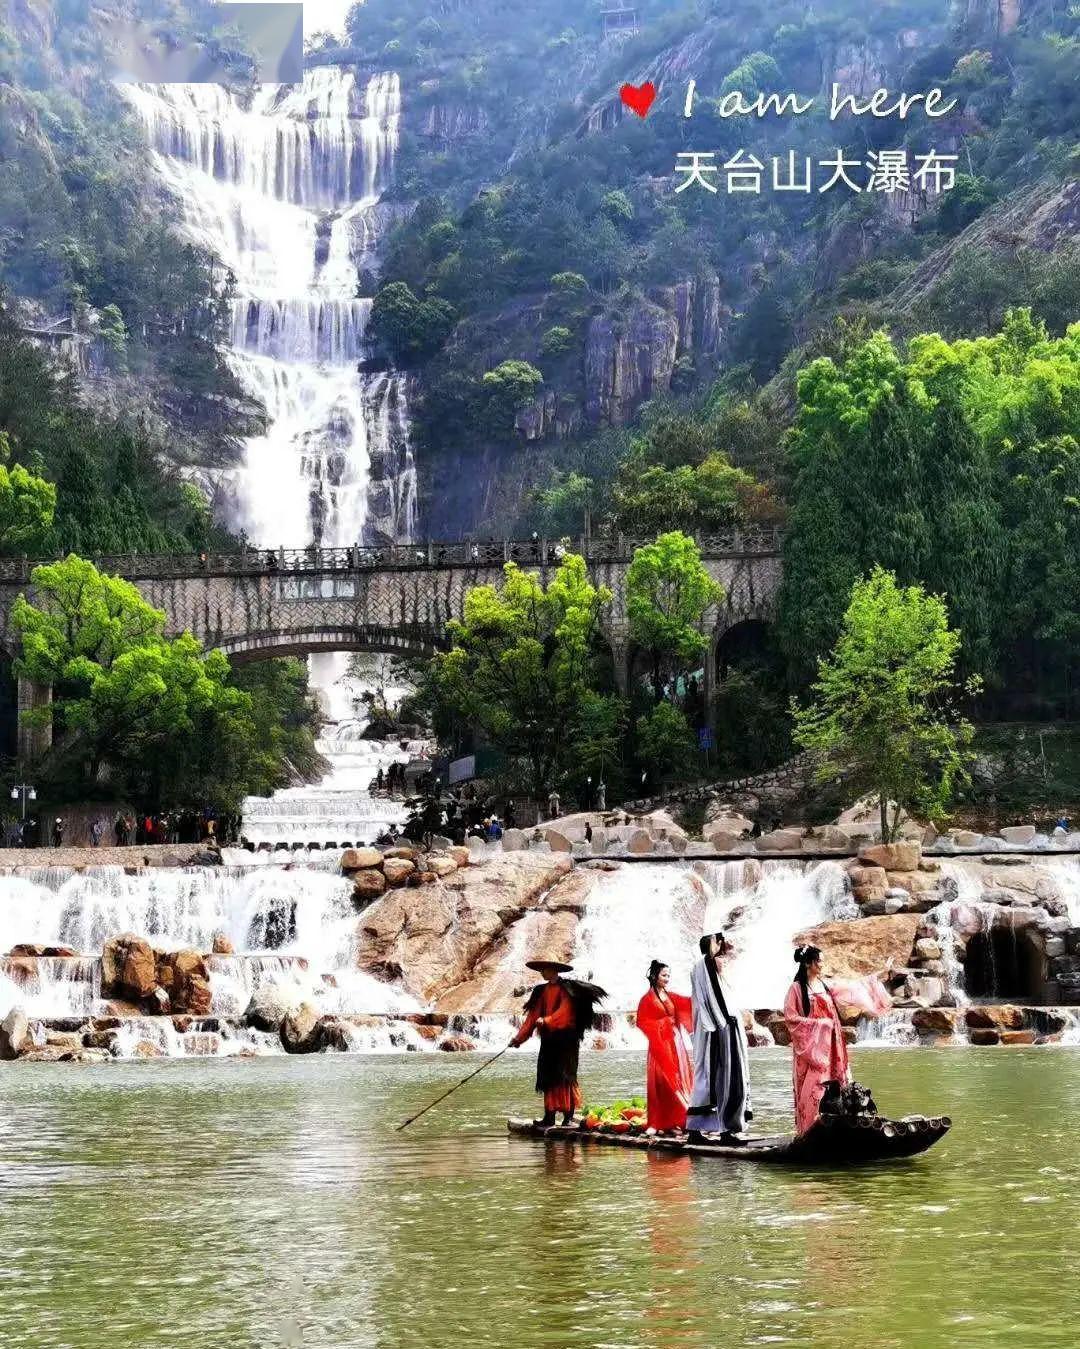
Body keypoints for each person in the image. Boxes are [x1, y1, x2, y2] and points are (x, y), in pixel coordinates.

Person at [783, 944, 892, 1135]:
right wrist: (821, 1025)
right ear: (808, 963)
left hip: (832, 1045)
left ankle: (837, 1126)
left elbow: (854, 987)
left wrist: (881, 973)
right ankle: (809, 1130)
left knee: (836, 1085)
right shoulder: (796, 989)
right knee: (814, 1088)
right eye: (820, 961)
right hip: (812, 1048)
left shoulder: (824, 985)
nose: (823, 965)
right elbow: (791, 1018)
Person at [509, 957, 606, 1128]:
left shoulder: (567, 989)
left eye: (544, 970)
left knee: (565, 1076)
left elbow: (566, 1012)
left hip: (567, 1040)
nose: (542, 973)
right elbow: (532, 1017)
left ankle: (568, 1117)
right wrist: (519, 1038)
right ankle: (549, 1117)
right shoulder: (540, 991)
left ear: (554, 970)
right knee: (548, 1076)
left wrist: (547, 1020)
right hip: (549, 1040)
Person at [685, 931, 752, 1145]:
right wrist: (725, 1022)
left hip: (721, 1029)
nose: (723, 961)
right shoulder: (703, 966)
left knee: (722, 1078)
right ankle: (711, 1131)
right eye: (717, 944)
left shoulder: (709, 970)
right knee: (716, 1078)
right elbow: (713, 1000)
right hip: (715, 1032)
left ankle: (719, 1129)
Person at [636, 960, 693, 1134]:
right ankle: (659, 1122)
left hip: (675, 1043)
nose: (667, 979)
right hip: (659, 1044)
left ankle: (679, 1120)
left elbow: (688, 1005)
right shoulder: (646, 999)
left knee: (677, 1078)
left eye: (668, 975)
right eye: (664, 975)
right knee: (661, 1082)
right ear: (654, 976)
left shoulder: (671, 996)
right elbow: (642, 1021)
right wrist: (662, 1024)